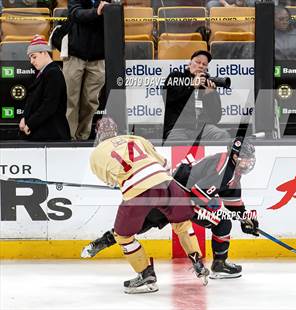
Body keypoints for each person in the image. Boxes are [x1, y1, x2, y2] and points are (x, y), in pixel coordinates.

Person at [83, 136, 260, 279]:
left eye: (249, 159)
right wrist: (225, 213)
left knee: (140, 224)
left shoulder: (231, 169)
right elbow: (198, 196)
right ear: (234, 155)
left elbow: (232, 199)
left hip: (170, 192)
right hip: (182, 195)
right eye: (244, 159)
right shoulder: (223, 168)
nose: (247, 163)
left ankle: (105, 240)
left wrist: (245, 217)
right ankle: (219, 265)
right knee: (222, 223)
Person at [89, 117, 209, 294]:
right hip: (165, 181)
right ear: (116, 130)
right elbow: (165, 165)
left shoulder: (96, 154)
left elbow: (112, 182)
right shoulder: (135, 139)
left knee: (123, 236)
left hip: (137, 191)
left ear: (98, 134)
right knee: (182, 223)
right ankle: (197, 262)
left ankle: (146, 275)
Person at [162, 50, 231, 142]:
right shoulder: (176, 77)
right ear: (189, 64)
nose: (201, 65)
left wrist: (210, 95)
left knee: (221, 135)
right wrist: (192, 86)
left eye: (204, 64)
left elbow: (216, 117)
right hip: (178, 128)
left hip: (203, 128)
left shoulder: (206, 84)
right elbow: (168, 98)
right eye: (198, 62)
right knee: (178, 141)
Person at [64, 0, 108, 140]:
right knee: (70, 99)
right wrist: (96, 12)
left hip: (98, 57)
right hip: (75, 55)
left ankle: (82, 136)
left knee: (90, 101)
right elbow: (76, 13)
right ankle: (69, 137)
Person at [19, 35, 70, 141]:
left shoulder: (53, 73)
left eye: (34, 57)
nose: (31, 62)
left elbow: (49, 105)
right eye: (30, 58)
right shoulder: (45, 73)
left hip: (51, 134)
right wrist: (25, 118)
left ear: (44, 53)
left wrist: (30, 124)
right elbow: (34, 101)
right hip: (44, 132)